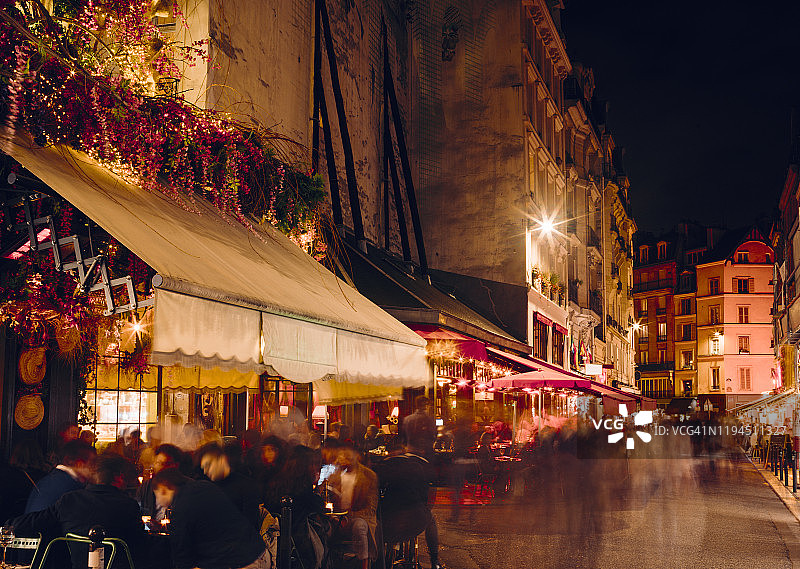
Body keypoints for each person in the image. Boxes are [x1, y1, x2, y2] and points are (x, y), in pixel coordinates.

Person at [10, 454, 147, 569]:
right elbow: (140, 544)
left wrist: (8, 525)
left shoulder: (69, 500)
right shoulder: (128, 505)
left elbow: (33, 521)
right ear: (119, 477)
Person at [151, 468, 269, 569]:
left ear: (164, 489)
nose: (157, 502)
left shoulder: (181, 508)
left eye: (156, 495)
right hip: (258, 552)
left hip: (240, 562)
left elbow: (182, 557)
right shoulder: (204, 486)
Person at [375, 440, 444, 569]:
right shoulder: (421, 464)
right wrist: (425, 509)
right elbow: (431, 494)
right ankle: (434, 560)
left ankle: (380, 561)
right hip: (416, 520)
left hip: (388, 524)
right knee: (431, 520)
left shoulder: (385, 464)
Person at [328, 442, 378, 569]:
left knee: (359, 527)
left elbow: (370, 508)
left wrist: (348, 516)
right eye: (341, 455)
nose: (343, 457)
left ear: (356, 456)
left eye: (347, 455)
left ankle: (364, 564)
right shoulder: (335, 474)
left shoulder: (368, 476)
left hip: (358, 517)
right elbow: (325, 495)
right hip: (336, 517)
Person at [197, 443, 260, 529]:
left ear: (222, 459)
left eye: (208, 465)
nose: (205, 471)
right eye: (203, 468)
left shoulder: (246, 486)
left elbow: (250, 525)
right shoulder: (205, 487)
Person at [25, 440, 96, 513]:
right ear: (79, 464)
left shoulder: (50, 479)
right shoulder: (72, 486)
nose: (94, 469)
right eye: (92, 464)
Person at [0, 439, 49, 521]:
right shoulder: (46, 477)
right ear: (38, 455)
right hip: (33, 522)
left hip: (7, 521)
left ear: (15, 454)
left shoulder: (6, 475)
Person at [138, 443, 186, 522]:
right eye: (158, 463)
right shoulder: (146, 487)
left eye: (166, 464)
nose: (162, 467)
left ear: (176, 465)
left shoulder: (186, 487)